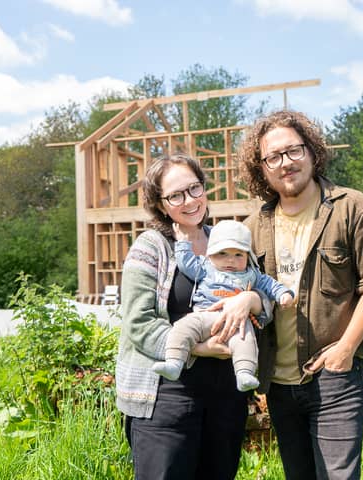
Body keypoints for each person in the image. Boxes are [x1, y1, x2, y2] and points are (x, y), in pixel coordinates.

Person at [236, 110, 363, 480]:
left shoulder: (351, 208)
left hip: (334, 374)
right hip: (279, 383)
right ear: (261, 168)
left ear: (311, 151)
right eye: (272, 157)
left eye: (293, 150)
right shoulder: (252, 228)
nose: (284, 163)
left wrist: (345, 349)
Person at [115, 153, 269, 480]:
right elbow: (138, 323)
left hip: (225, 397)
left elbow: (267, 303)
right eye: (175, 195)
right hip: (166, 397)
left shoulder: (227, 240)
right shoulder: (152, 247)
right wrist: (197, 348)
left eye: (194, 188)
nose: (189, 201)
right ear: (160, 204)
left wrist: (252, 299)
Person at [153, 219, 294, 392]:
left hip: (238, 322)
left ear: (248, 256)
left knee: (246, 341)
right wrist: (182, 243)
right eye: (223, 253)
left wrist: (283, 294)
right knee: (182, 328)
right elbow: (186, 263)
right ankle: (174, 362)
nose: (231, 260)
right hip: (205, 315)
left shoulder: (252, 274)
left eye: (238, 255)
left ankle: (244, 373)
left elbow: (270, 285)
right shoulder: (205, 267)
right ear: (210, 254)